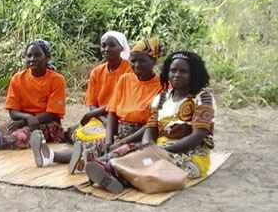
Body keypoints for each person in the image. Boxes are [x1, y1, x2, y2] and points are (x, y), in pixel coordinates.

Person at [86, 50, 215, 193]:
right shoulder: (162, 98)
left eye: (183, 71)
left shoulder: (203, 98)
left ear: (194, 74)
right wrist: (148, 146)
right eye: (173, 70)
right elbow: (151, 128)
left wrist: (160, 151)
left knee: (150, 165)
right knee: (129, 150)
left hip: (190, 154)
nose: (177, 74)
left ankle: (116, 175)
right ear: (167, 72)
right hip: (159, 148)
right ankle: (107, 167)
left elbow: (197, 136)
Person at [44, 37, 164, 172]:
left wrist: (122, 141)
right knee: (94, 146)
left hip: (140, 135)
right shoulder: (125, 79)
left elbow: (151, 124)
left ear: (154, 60)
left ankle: (92, 165)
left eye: (142, 60)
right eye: (133, 61)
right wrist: (109, 140)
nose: (136, 65)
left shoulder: (161, 86)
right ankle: (50, 155)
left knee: (119, 152)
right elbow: (112, 111)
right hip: (119, 130)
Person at [0, 39, 66, 162]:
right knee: (5, 128)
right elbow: (13, 111)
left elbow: (52, 114)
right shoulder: (17, 78)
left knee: (23, 135)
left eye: (37, 55)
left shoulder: (57, 80)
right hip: (24, 120)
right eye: (29, 55)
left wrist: (27, 120)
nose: (32, 59)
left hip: (48, 124)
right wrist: (26, 118)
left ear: (47, 58)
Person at [69, 30, 132, 155]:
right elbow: (92, 102)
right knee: (79, 134)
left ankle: (85, 155)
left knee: (106, 138)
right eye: (103, 46)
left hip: (120, 118)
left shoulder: (130, 70)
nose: (106, 49)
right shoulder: (97, 72)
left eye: (112, 45)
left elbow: (121, 102)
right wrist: (101, 118)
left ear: (121, 48)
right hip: (100, 117)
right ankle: (87, 153)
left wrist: (92, 115)